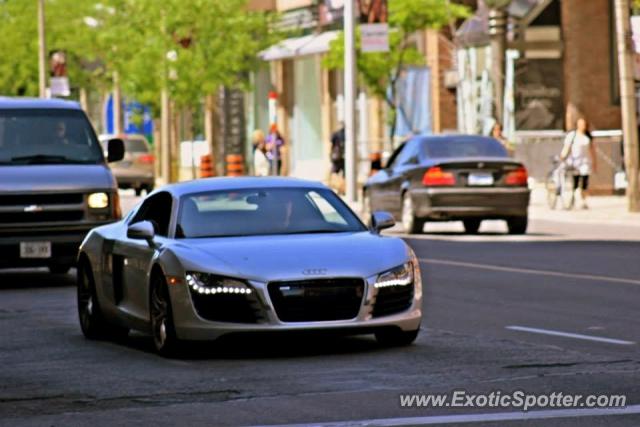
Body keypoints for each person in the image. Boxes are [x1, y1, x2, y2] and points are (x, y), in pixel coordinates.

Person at [560, 117, 597, 209]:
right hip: (574, 161)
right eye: (580, 124)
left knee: (584, 181)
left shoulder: (587, 136)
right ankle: (575, 199)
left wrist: (594, 162)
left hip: (585, 162)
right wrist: (562, 156)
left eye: (583, 124)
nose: (582, 126)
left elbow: (592, 151)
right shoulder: (572, 135)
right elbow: (567, 147)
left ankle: (583, 200)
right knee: (575, 181)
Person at [329, 124, 346, 194]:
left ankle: (338, 187)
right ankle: (340, 188)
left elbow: (331, 144)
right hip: (344, 157)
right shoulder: (346, 134)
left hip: (337, 157)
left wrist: (331, 154)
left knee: (334, 173)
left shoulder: (336, 134)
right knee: (343, 175)